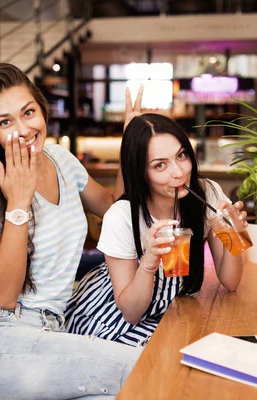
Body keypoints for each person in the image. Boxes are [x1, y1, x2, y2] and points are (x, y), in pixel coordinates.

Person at [0, 63, 141, 400]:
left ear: (42, 110)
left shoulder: (60, 159)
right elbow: (3, 295)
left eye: (29, 112)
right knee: (141, 366)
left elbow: (115, 205)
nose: (24, 129)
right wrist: (19, 201)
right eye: (5, 122)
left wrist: (130, 145)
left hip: (53, 329)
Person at [65, 92, 245, 347]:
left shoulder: (209, 194)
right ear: (141, 173)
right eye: (160, 165)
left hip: (169, 312)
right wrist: (149, 260)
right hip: (112, 318)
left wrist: (234, 236)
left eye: (181, 155)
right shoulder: (122, 217)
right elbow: (130, 311)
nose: (179, 172)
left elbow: (231, 282)